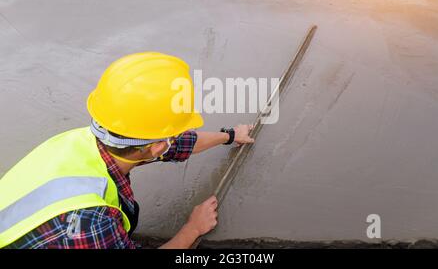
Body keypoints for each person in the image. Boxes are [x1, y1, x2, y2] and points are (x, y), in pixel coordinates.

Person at [0, 52, 254, 249]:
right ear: (156, 145)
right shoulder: (90, 220)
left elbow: (175, 144)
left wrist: (230, 136)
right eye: (171, 136)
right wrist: (192, 230)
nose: (174, 140)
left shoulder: (90, 139)